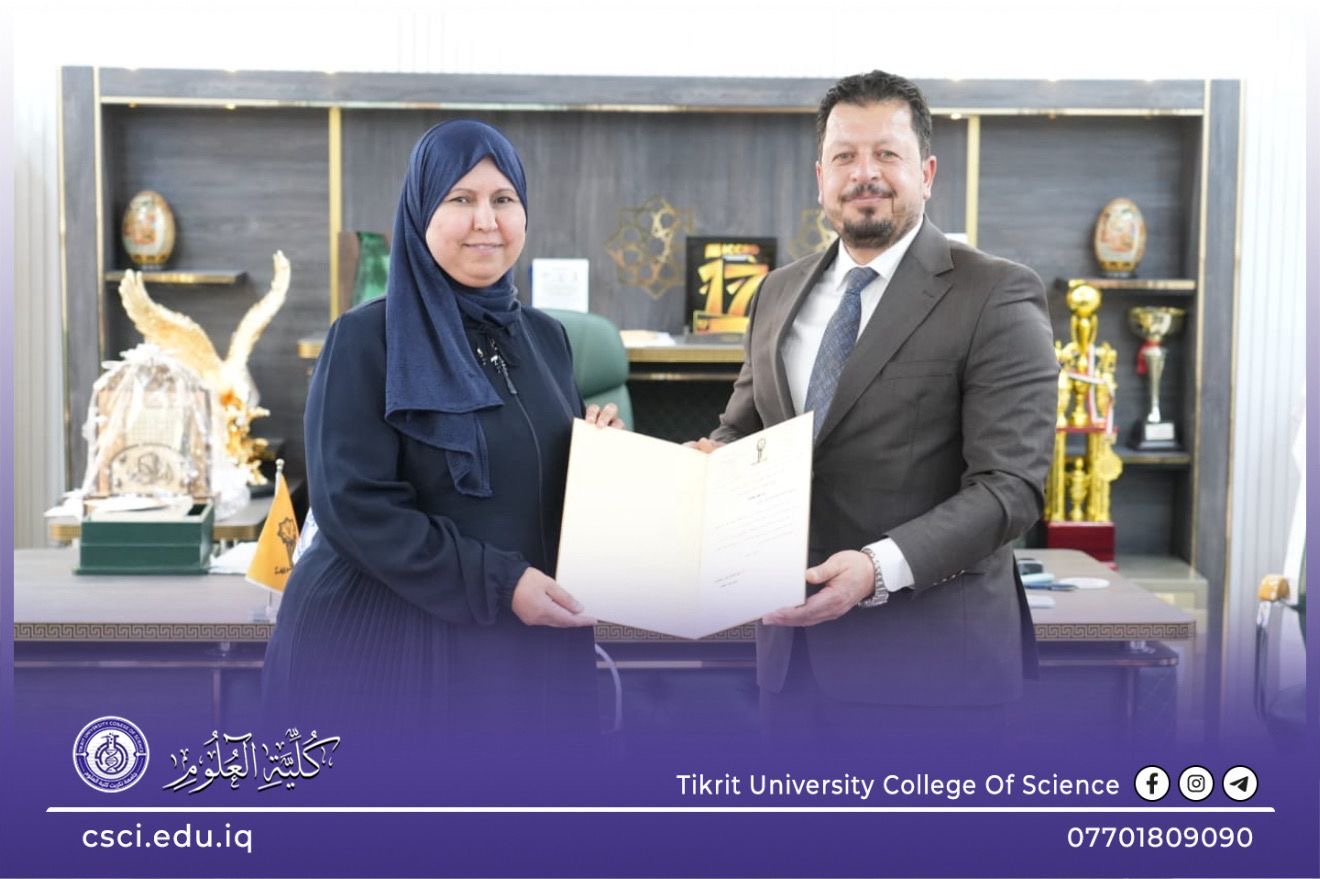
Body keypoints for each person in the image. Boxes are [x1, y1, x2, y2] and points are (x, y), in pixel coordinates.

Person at [702, 70, 1058, 740]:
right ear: (821, 178)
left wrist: (876, 569)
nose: (864, 173)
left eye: (886, 154)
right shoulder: (775, 293)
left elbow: (1010, 487)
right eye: (844, 156)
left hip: (934, 675)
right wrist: (705, 464)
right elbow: (743, 431)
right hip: (791, 664)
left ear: (926, 172)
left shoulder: (995, 294)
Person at [262, 119, 623, 740]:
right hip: (388, 655)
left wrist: (599, 458)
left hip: (514, 650)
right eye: (460, 198)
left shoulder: (545, 339)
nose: (486, 220)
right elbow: (355, 507)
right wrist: (501, 583)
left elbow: (533, 482)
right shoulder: (367, 339)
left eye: (503, 199)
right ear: (421, 212)